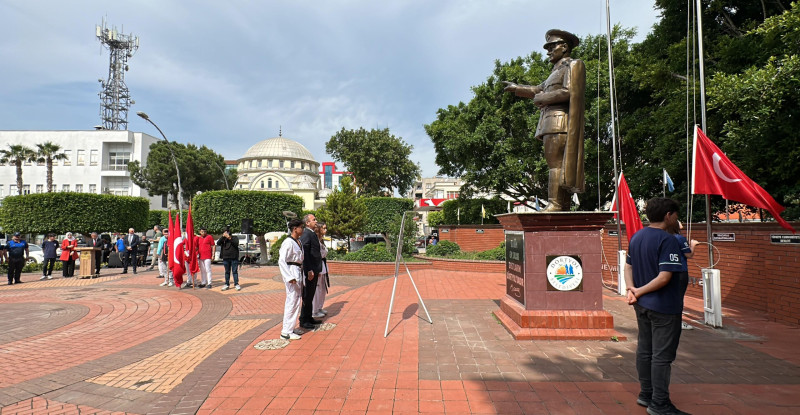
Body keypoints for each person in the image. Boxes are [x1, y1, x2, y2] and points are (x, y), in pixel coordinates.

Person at [502, 29, 586, 211]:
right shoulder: (555, 71)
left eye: (551, 46)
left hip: (560, 123)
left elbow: (570, 92)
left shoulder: (573, 65)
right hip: (550, 123)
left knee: (555, 165)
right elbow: (538, 89)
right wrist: (517, 88)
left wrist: (543, 98)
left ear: (564, 47)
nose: (548, 51)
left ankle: (555, 203)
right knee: (555, 165)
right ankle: (561, 204)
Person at [624, 198, 689, 415]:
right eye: (676, 217)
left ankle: (646, 394)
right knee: (661, 356)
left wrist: (631, 290)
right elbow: (664, 277)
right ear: (668, 215)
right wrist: (638, 291)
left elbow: (628, 267)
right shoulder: (668, 240)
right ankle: (659, 403)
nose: (677, 222)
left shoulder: (637, 236)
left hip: (642, 305)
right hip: (663, 306)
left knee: (645, 350)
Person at [279, 219, 306, 340]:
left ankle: (291, 327)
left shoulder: (298, 241)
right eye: (301, 227)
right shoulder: (288, 242)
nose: (303, 229)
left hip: (298, 271)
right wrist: (289, 277)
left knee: (296, 302)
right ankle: (286, 331)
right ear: (295, 228)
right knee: (291, 301)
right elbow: (281, 260)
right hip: (292, 272)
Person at [299, 214, 322, 329]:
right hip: (310, 269)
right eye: (314, 220)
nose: (316, 221)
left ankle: (309, 317)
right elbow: (305, 253)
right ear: (307, 223)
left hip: (315, 268)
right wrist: (309, 270)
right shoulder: (306, 234)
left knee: (311, 294)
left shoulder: (312, 233)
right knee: (307, 295)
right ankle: (303, 319)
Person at [312, 222, 330, 319]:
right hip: (318, 266)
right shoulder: (315, 240)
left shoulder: (321, 240)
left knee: (322, 289)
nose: (325, 230)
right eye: (323, 228)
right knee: (317, 290)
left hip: (322, 265)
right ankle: (314, 310)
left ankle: (319, 307)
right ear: (319, 229)